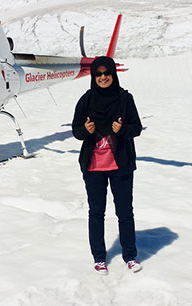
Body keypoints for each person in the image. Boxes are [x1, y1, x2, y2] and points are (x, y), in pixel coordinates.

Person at [72, 56, 143, 275]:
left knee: (125, 212)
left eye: (107, 73)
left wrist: (122, 130)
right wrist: (86, 131)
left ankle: (130, 256)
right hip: (94, 167)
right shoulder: (86, 100)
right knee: (96, 213)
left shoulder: (125, 99)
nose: (103, 77)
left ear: (113, 73)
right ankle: (99, 258)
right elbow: (76, 130)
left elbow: (137, 127)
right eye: (98, 74)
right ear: (94, 77)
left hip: (120, 164)